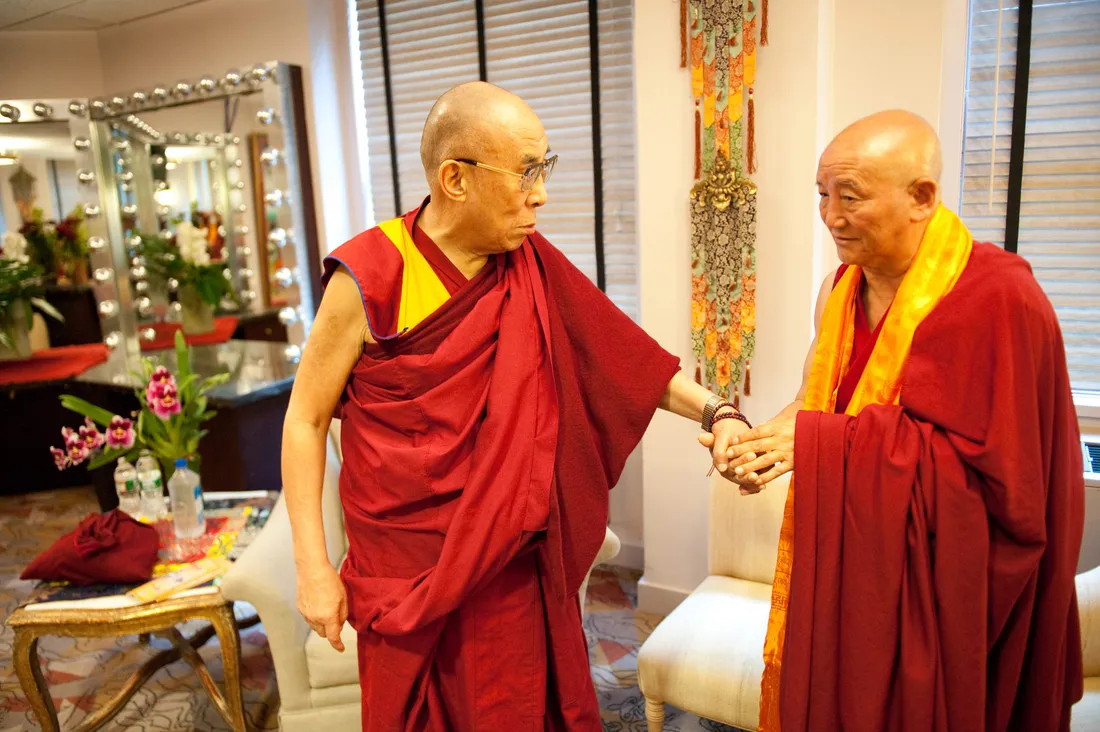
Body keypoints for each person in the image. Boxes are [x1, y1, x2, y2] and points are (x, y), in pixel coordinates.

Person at [280, 81, 751, 731]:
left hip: (507, 569)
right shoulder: (369, 277)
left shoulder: (528, 263)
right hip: (403, 570)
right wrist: (312, 567)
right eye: (527, 171)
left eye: (544, 168)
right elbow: (304, 421)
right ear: (455, 178)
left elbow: (627, 362)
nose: (541, 193)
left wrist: (718, 412)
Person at [706, 110, 1085, 731]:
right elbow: (815, 400)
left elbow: (1010, 489)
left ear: (922, 197)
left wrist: (820, 445)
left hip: (951, 584)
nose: (829, 216)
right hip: (857, 552)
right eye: (822, 195)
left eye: (849, 196)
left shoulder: (1002, 297)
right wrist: (764, 445)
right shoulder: (839, 288)